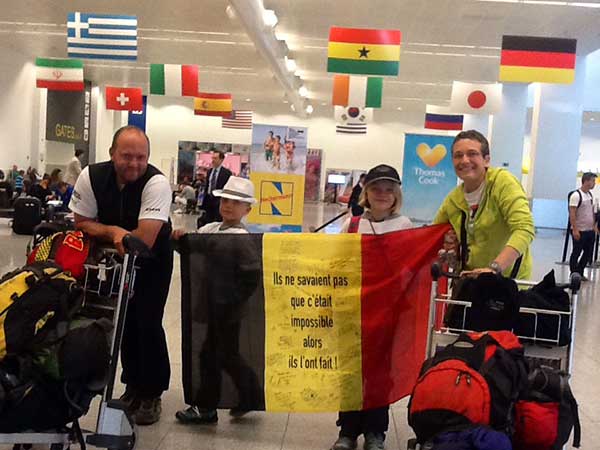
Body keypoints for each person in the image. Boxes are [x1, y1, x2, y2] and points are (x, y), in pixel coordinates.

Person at [69, 125, 173, 425]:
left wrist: (107, 233)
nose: (134, 163)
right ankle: (133, 385)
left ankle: (152, 392)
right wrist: (114, 232)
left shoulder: (156, 183)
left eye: (141, 157)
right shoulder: (91, 176)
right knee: (123, 321)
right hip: (113, 259)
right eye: (127, 156)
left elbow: (143, 241)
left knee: (148, 321)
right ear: (112, 153)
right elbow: (81, 222)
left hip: (153, 261)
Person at [332, 164, 413, 450]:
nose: (382, 194)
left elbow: (409, 269)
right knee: (351, 371)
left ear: (396, 195)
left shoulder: (403, 226)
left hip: (387, 312)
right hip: (353, 309)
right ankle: (348, 429)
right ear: (367, 192)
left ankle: (375, 431)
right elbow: (335, 261)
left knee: (380, 373)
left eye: (388, 189)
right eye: (377, 188)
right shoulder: (352, 224)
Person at [173, 177, 263, 424]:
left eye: (236, 202)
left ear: (247, 209)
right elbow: (193, 249)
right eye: (225, 200)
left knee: (210, 355)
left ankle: (207, 406)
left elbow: (251, 275)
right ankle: (249, 395)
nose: (228, 206)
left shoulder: (242, 239)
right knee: (225, 354)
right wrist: (180, 239)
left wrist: (234, 301)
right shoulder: (211, 229)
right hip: (212, 306)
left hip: (228, 310)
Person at [433, 129, 534, 279]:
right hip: (469, 283)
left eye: (472, 154)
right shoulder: (453, 201)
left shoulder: (502, 183)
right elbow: (432, 235)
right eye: (458, 155)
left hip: (509, 284)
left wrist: (494, 268)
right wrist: (448, 244)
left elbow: (524, 228)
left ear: (486, 160)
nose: (464, 160)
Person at [568, 172, 597, 280]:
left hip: (590, 230)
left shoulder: (589, 195)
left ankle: (580, 272)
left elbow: (591, 212)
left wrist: (594, 225)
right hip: (580, 230)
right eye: (593, 181)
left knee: (588, 253)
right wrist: (575, 229)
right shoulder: (576, 195)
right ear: (586, 181)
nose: (594, 183)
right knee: (576, 252)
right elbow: (572, 213)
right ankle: (573, 273)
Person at [201, 150, 232, 225]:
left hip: (219, 200)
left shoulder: (226, 173)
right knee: (207, 221)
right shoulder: (209, 171)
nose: (213, 160)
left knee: (217, 221)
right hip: (208, 199)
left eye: (215, 158)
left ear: (221, 160)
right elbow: (207, 185)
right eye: (212, 158)